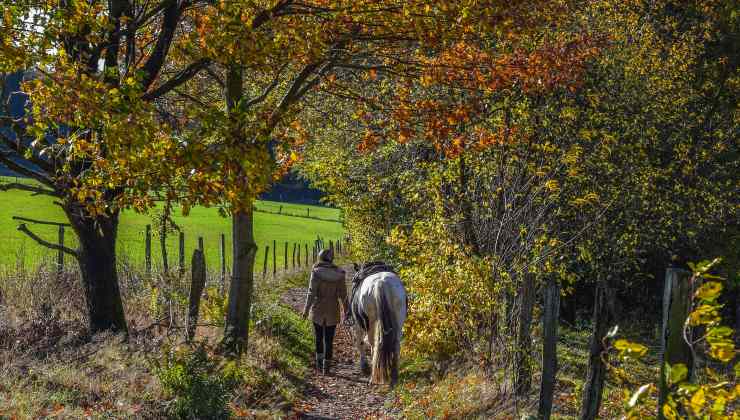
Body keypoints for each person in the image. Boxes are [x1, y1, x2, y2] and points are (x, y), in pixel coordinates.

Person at [302, 248, 347, 375]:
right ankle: (326, 368)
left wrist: (305, 311)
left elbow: (311, 293)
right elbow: (344, 295)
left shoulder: (316, 272)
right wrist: (347, 311)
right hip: (333, 308)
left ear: (320, 258)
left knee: (318, 337)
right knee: (329, 339)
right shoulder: (340, 274)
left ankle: (319, 363)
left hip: (318, 308)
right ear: (332, 259)